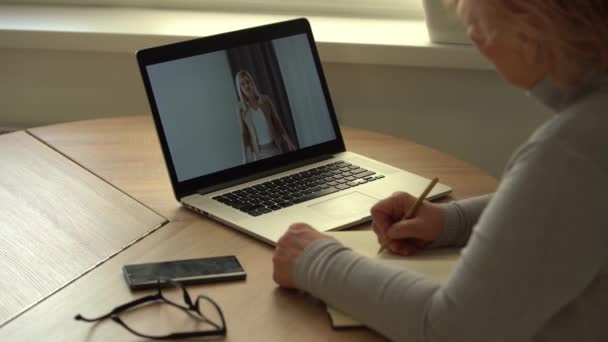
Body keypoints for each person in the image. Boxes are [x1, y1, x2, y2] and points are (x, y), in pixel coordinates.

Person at [272, 1, 608, 341]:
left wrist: (315, 260)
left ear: (538, 23)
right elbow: (567, 204)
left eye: (480, 20)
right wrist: (452, 221)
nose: (473, 35)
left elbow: (454, 329)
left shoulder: (573, 150)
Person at [235, 70, 296, 163]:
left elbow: (277, 122)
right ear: (240, 88)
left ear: (252, 82)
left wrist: (289, 142)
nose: (246, 86)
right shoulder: (241, 108)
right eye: (242, 84)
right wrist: (245, 157)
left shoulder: (265, 100)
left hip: (274, 147)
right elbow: (244, 133)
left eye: (248, 82)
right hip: (258, 153)